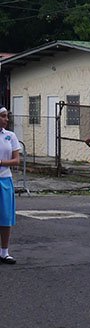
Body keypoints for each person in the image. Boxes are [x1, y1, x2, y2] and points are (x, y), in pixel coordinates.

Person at [0, 107, 21, 264]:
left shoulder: (10, 136)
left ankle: (4, 252)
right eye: (3, 116)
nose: (6, 119)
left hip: (5, 179)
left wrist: (1, 162)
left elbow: (16, 160)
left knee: (6, 216)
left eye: (7, 116)